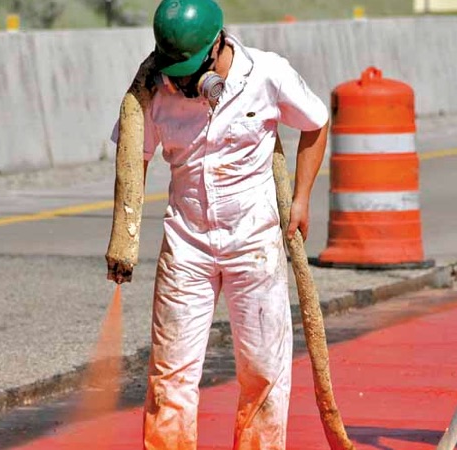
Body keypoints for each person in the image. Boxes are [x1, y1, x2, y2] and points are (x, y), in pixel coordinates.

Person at [107, 0, 329, 448]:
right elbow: (134, 157)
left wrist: (301, 199)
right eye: (175, 71)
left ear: (217, 45)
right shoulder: (152, 92)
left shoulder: (267, 75)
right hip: (186, 243)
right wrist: (124, 234)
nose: (182, 83)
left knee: (263, 369)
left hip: (254, 241)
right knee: (171, 373)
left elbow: (316, 122)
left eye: (190, 71)